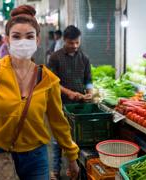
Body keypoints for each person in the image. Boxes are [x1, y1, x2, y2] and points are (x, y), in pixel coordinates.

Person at [0, 5, 80, 180]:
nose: (23, 41)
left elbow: (58, 122)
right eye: (16, 36)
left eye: (29, 36)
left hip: (36, 158)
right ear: (7, 40)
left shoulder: (49, 80)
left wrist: (72, 157)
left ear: (37, 40)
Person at [48, 25, 93, 179]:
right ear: (64, 40)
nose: (74, 46)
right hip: (59, 104)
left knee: (76, 138)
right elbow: (52, 83)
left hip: (79, 106)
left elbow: (88, 80)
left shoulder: (84, 58)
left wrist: (89, 92)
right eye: (70, 43)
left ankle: (73, 169)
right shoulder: (55, 57)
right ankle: (55, 170)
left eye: (76, 43)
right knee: (57, 140)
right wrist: (70, 93)